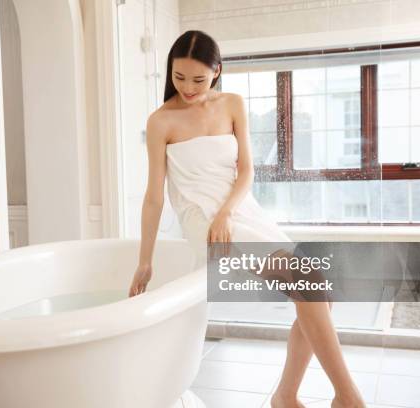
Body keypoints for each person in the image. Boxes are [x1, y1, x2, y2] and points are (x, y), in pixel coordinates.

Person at [128, 30, 367, 408]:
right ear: (169, 72)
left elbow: (247, 172)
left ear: (217, 71)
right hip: (200, 218)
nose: (188, 88)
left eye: (198, 79)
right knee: (310, 282)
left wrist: (227, 212)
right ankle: (347, 398)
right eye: (179, 77)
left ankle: (286, 396)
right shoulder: (161, 121)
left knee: (319, 293)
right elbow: (154, 197)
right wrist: (145, 260)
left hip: (238, 209)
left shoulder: (233, 104)